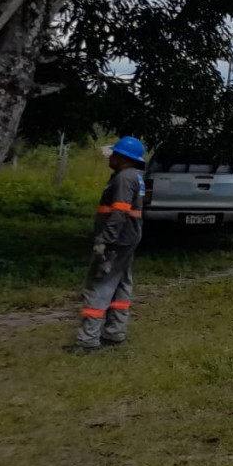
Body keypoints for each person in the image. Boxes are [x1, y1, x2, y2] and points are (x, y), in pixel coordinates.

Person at [72, 136, 146, 352]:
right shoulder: (134, 176)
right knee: (122, 285)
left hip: (117, 241)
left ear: (123, 157)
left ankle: (87, 341)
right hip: (128, 239)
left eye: (114, 154)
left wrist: (105, 240)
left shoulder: (123, 178)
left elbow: (119, 212)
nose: (110, 157)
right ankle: (114, 333)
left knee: (98, 286)